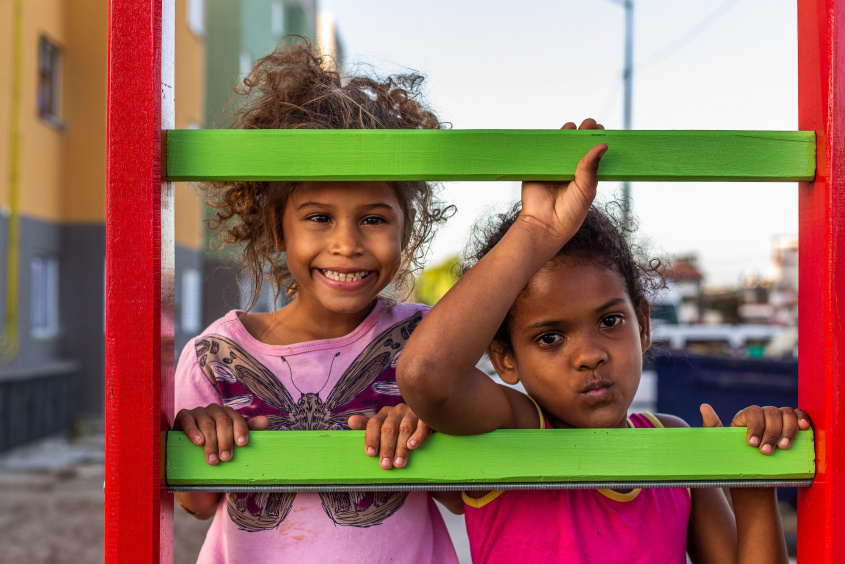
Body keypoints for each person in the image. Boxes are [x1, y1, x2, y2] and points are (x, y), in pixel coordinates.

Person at [392, 119, 811, 563]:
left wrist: (755, 488)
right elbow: (425, 375)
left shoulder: (673, 444)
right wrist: (535, 228)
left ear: (643, 325)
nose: (590, 355)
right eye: (550, 337)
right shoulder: (512, 430)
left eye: (610, 321)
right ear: (505, 358)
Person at [172, 41, 459, 563]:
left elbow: (464, 495)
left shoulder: (428, 341)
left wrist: (430, 421)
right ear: (276, 227)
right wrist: (202, 435)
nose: (347, 243)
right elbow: (194, 502)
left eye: (374, 218)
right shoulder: (216, 356)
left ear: (405, 229)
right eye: (319, 217)